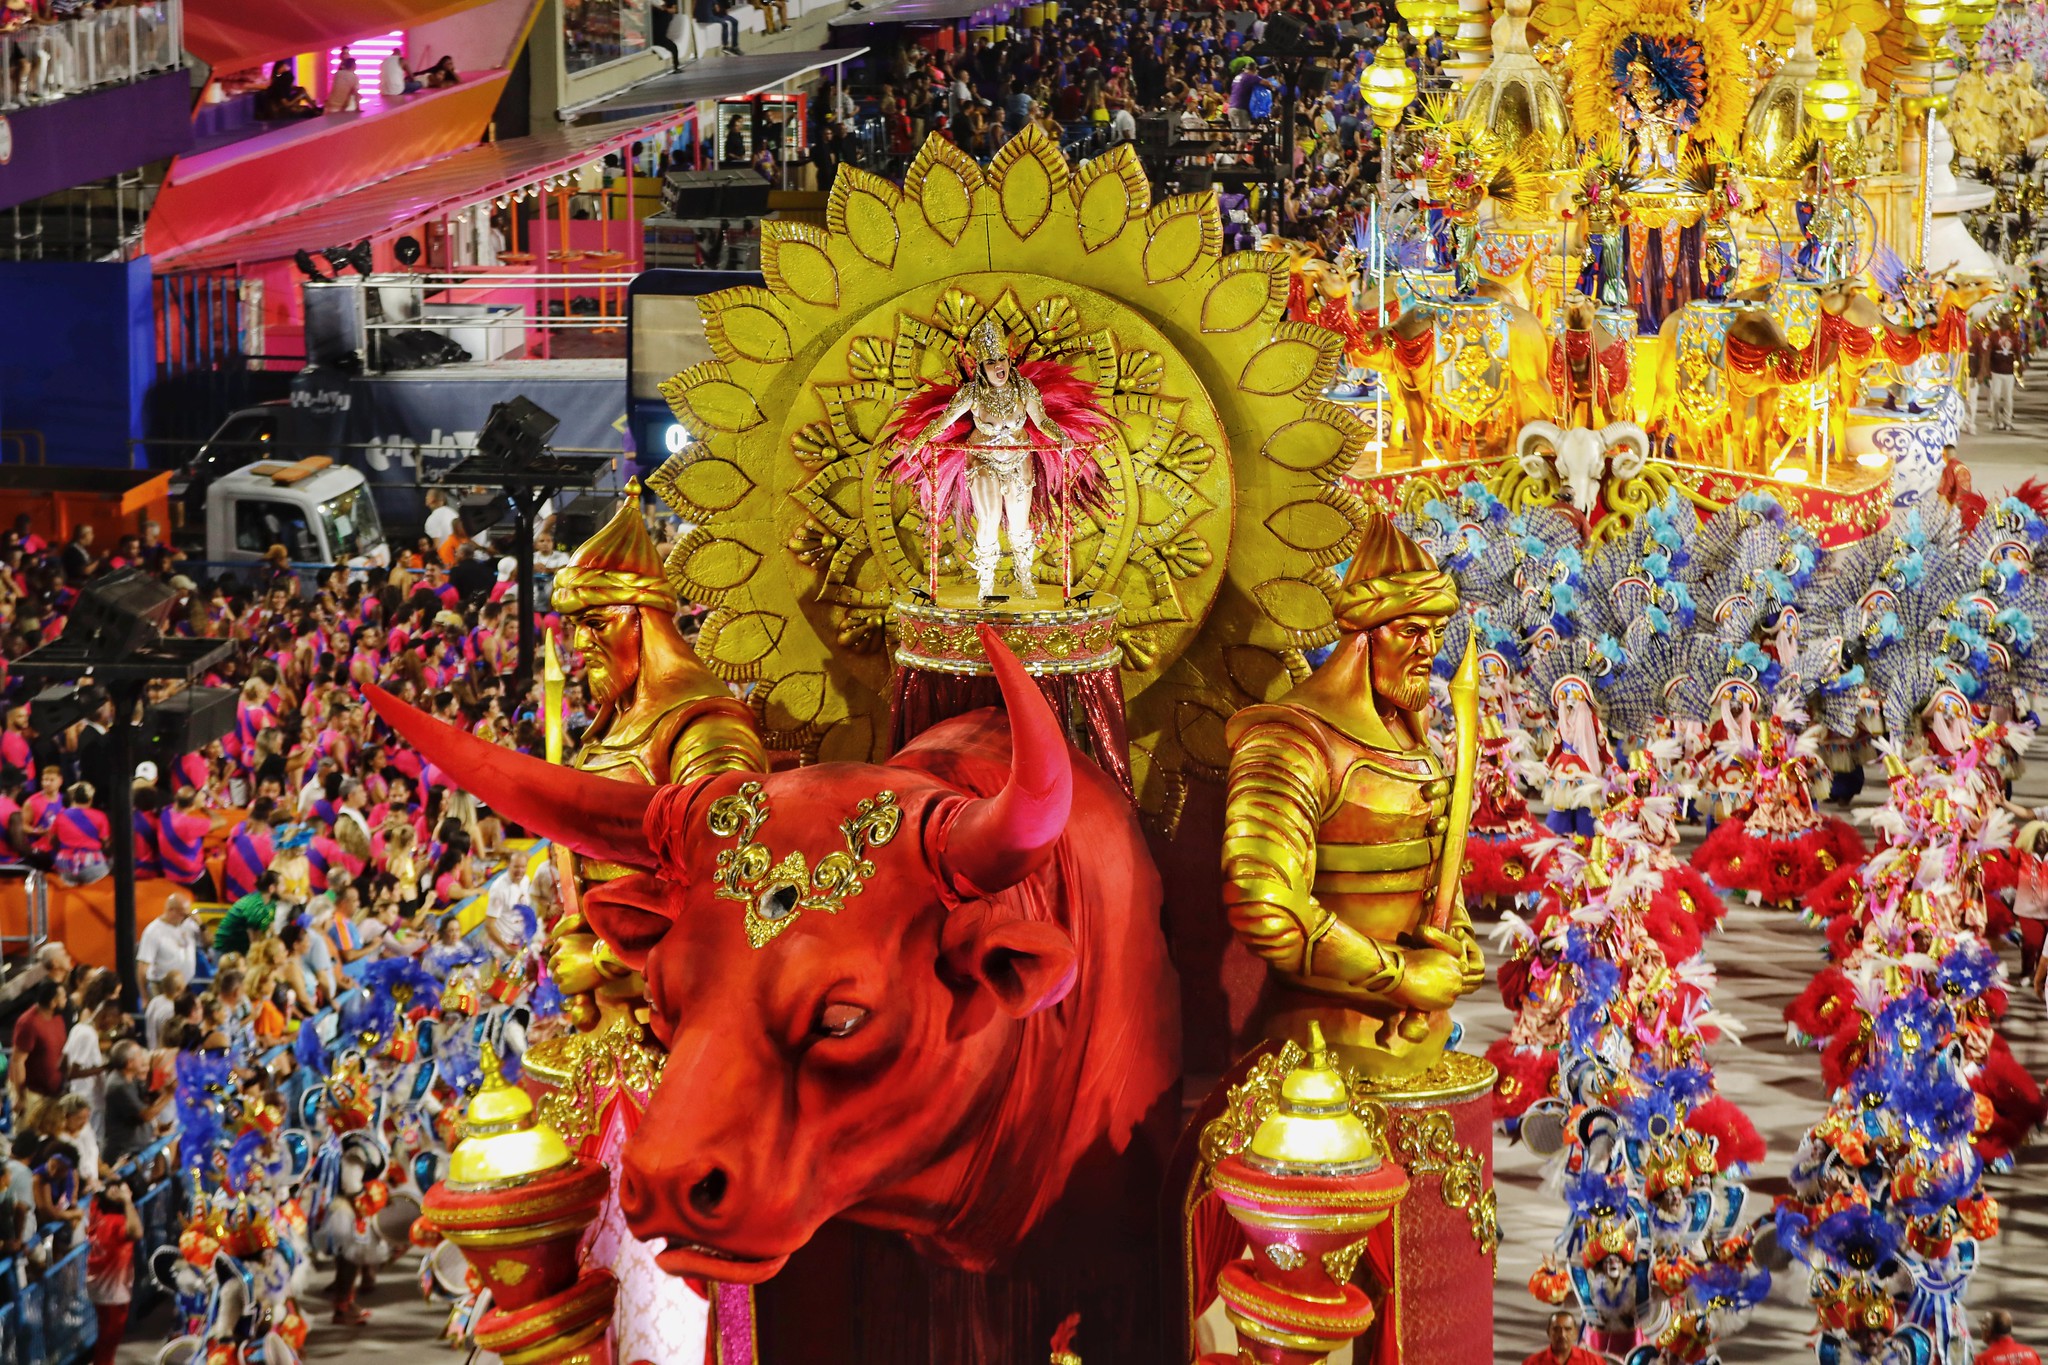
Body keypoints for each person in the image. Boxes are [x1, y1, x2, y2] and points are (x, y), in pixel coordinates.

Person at [85, 1179, 140, 1365]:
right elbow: (137, 1232)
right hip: (113, 1291)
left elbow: (96, 1198)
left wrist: (100, 1189)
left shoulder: (97, 1215)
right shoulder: (117, 1223)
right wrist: (128, 1201)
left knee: (105, 1334)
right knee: (110, 1337)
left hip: (97, 1285)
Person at [9, 980, 67, 1132]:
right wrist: (20, 1096)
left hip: (53, 1093)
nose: (66, 1001)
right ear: (53, 1002)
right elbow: (17, 1061)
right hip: (32, 1094)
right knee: (28, 1136)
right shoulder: (28, 1022)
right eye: (63, 998)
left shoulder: (58, 1018)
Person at [137, 891, 201, 993]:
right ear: (171, 911)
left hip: (185, 985)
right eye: (183, 915)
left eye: (187, 915)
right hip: (162, 988)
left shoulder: (189, 924)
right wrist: (144, 996)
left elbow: (209, 943)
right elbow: (143, 967)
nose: (185, 919)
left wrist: (202, 926)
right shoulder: (153, 931)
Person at [215, 870, 282, 955]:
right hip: (226, 949)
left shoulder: (271, 903)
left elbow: (271, 930)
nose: (284, 888)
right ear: (272, 888)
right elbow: (254, 943)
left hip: (242, 948)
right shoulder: (256, 906)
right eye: (282, 885)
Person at [1986, 311, 2025, 431]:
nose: (2010, 322)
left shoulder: (2014, 336)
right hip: (1995, 371)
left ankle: (2007, 421)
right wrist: (1987, 369)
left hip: (2008, 372)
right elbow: (1988, 353)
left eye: (2011, 320)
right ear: (2001, 321)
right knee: (1996, 397)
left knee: (2008, 398)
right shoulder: (1993, 335)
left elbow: (2018, 353)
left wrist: (2020, 366)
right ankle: (1996, 421)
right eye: (2008, 320)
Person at [1521, 1311, 1604, 1365]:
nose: (1562, 1334)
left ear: (1576, 1333)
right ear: (1548, 1332)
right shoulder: (1531, 1363)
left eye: (1568, 1329)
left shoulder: (1594, 1362)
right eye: (1556, 1329)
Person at [142, 972, 183, 1051]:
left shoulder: (155, 1001)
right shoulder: (170, 1010)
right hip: (162, 1052)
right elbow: (168, 1038)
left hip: (152, 1049)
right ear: (179, 988)